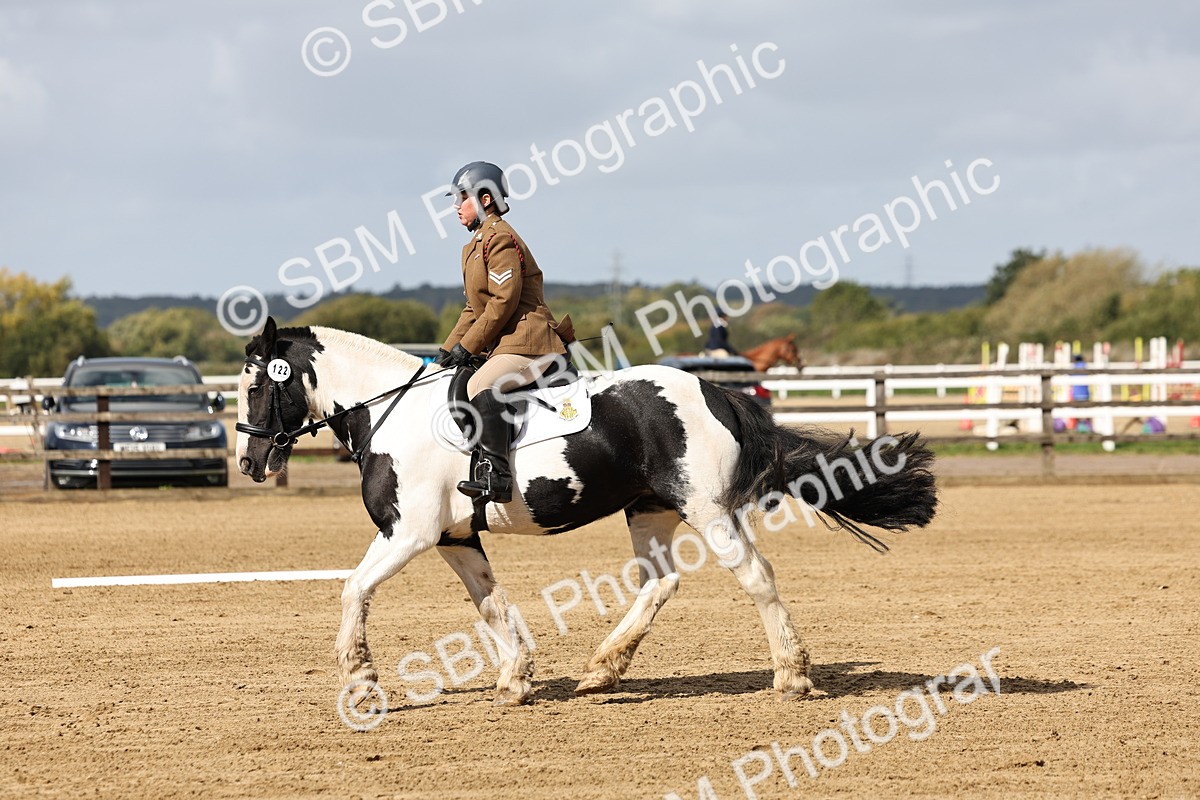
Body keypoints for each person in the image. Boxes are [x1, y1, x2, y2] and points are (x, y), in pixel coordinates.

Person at [437, 161, 572, 504]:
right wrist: (449, 349)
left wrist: (469, 347)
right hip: (505, 342)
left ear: (485, 199)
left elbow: (503, 302)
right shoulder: (474, 246)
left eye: (462, 198)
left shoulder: (500, 239)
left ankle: (497, 476)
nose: (455, 206)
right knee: (455, 384)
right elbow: (474, 308)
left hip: (530, 342)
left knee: (481, 384)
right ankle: (477, 459)